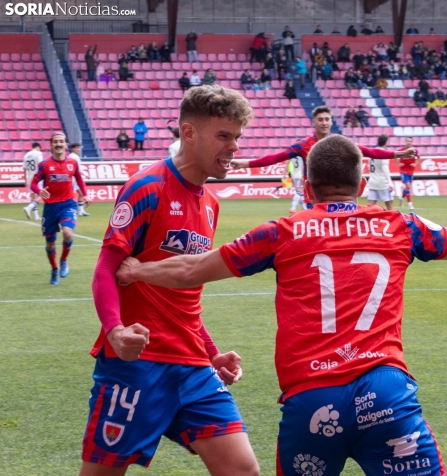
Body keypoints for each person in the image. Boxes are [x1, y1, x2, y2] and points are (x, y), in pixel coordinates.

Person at [115, 134, 447, 476]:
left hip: (312, 400)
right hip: (386, 395)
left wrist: (136, 271)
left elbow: (191, 271)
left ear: (305, 187)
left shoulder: (282, 231)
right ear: (360, 186)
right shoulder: (398, 225)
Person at [80, 85, 260, 476]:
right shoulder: (147, 187)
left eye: (238, 137)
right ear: (189, 133)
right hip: (136, 363)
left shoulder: (210, 203)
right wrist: (115, 332)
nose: (234, 147)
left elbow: (184, 291)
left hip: (193, 364)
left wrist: (211, 352)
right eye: (224, 136)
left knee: (242, 469)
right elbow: (104, 271)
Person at [230, 106, 417, 215]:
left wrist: (398, 154)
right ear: (314, 122)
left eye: (327, 119)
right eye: (321, 119)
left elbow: (368, 151)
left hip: (337, 197)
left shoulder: (339, 143)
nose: (325, 122)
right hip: (312, 197)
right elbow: (276, 157)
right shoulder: (303, 145)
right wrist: (246, 164)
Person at [30, 132, 90, 284]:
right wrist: (39, 191)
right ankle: (55, 269)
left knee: (68, 233)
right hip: (50, 208)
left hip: (68, 204)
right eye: (55, 141)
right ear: (51, 145)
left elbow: (79, 178)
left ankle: (64, 260)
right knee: (50, 243)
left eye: (61, 141)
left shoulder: (72, 163)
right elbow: (33, 184)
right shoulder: (44, 165)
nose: (58, 144)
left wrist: (85, 194)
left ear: (65, 144)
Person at [366, 134, 395, 209]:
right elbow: (385, 167)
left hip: (372, 182)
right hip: (382, 182)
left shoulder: (372, 152)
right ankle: (391, 220)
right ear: (386, 142)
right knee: (390, 205)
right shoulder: (384, 153)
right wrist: (390, 182)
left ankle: (366, 219)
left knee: (369, 206)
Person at [397, 136, 421, 209]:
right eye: (407, 141)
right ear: (405, 141)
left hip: (411, 171)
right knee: (408, 186)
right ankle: (410, 204)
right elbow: (395, 156)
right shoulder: (401, 150)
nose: (409, 142)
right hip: (403, 170)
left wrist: (415, 164)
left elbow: (419, 158)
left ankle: (401, 197)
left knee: (407, 187)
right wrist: (399, 163)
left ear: (412, 142)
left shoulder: (414, 150)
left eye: (410, 141)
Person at [22, 142, 43, 221]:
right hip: (37, 178)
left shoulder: (26, 155)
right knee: (41, 195)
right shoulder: (38, 153)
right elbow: (41, 165)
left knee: (33, 197)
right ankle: (29, 208)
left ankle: (36, 215)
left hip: (29, 178)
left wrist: (25, 180)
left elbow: (24, 169)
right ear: (38, 147)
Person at [68, 143, 89, 217]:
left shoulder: (70, 156)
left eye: (79, 148)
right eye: (77, 148)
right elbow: (77, 169)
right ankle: (78, 210)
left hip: (72, 178)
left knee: (80, 194)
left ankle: (80, 210)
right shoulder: (75, 157)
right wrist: (85, 175)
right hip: (75, 178)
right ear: (73, 148)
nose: (78, 149)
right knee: (80, 194)